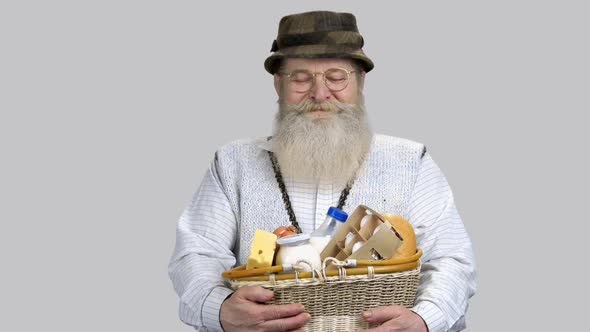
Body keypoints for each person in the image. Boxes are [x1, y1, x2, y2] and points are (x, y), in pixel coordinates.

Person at [168, 10, 476, 332]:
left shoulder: (411, 161)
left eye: (336, 76)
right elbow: (195, 256)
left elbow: (451, 261)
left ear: (360, 80)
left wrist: (425, 319)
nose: (319, 93)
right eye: (300, 78)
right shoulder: (232, 163)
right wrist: (219, 310)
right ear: (278, 84)